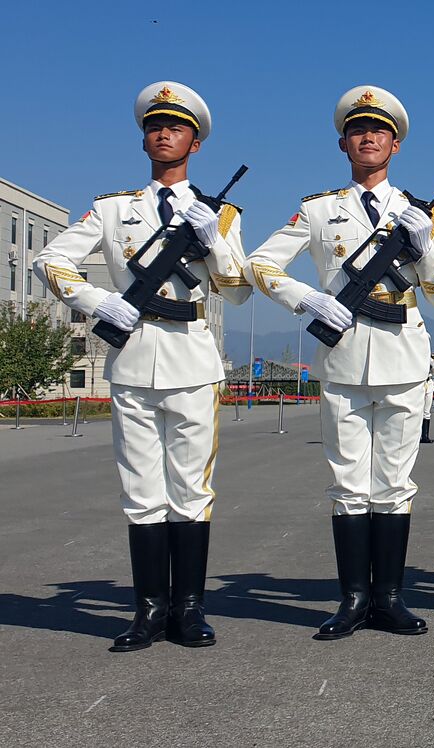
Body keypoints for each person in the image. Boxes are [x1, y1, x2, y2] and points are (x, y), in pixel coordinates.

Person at [35, 81, 251, 652]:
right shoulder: (112, 210)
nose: (163, 133)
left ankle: (189, 609)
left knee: (190, 491)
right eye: (154, 126)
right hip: (131, 360)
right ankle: (149, 610)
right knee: (141, 491)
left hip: (192, 359)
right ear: (145, 139)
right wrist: (95, 300)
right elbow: (48, 259)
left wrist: (214, 243)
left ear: (195, 143)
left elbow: (236, 291)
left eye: (175, 127)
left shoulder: (219, 213)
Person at [246, 85, 434, 639]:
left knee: (394, 484)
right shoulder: (317, 211)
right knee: (347, 485)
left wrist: (425, 244)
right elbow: (259, 265)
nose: (369, 137)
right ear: (343, 142)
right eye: (359, 130)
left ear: (396, 145)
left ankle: (388, 597)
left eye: (380, 131)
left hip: (403, 359)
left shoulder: (421, 213)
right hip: (341, 359)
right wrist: (306, 300)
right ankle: (353, 598)